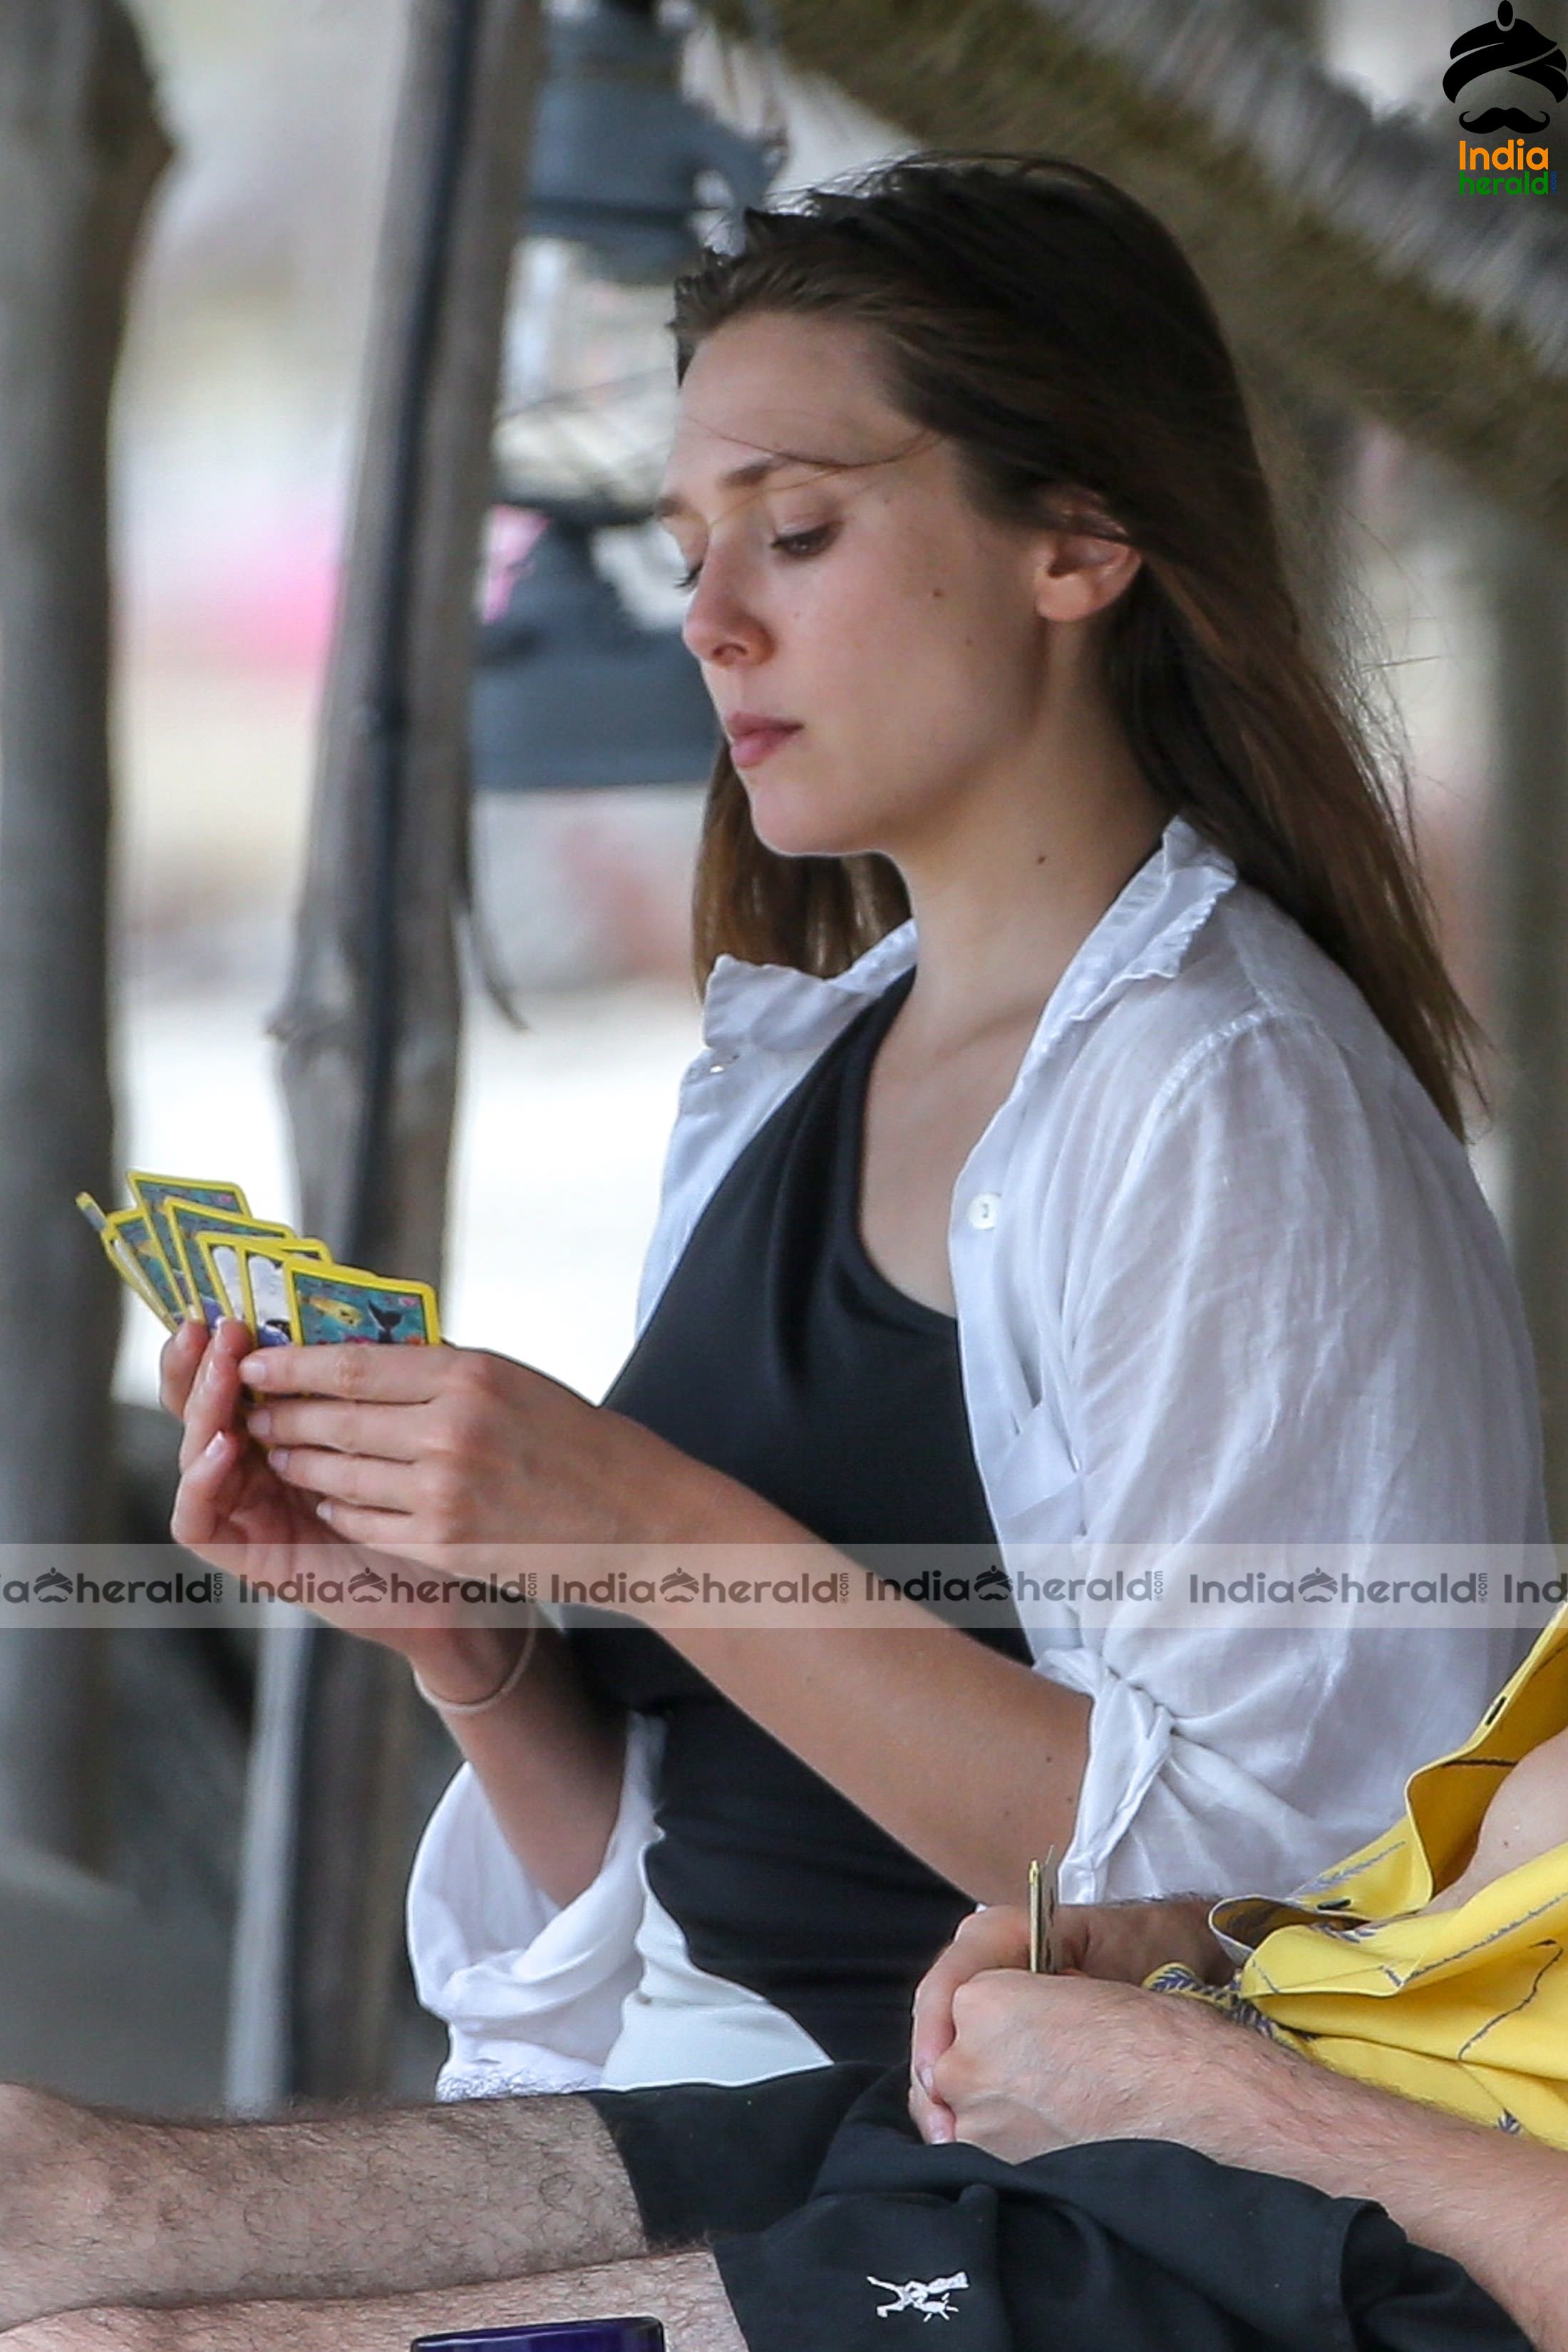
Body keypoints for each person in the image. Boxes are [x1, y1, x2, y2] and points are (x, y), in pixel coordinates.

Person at [164, 151, 1544, 2098]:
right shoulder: (798, 1067)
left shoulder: (1229, 1097)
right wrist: (470, 1638)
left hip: (1012, 2209)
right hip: (710, 2125)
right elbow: (706, 1897)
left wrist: (644, 1522)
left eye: (795, 529)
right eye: (688, 546)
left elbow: (1296, 1898)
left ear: (1077, 544)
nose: (711, 619)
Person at [11, 1599, 1568, 2348]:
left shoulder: (1204, 1086)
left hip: (1350, 2271)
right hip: (1117, 2137)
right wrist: (1182, 1939)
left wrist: (1224, 2102)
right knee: (31, 2185)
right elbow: (1445, 1957)